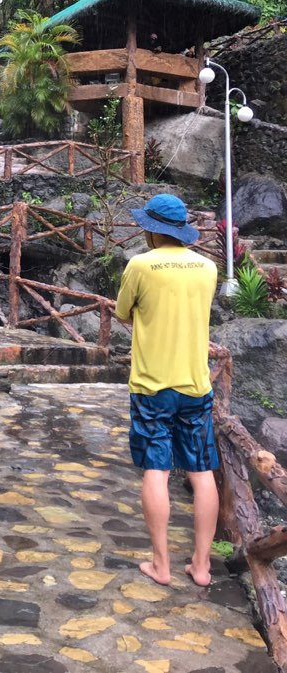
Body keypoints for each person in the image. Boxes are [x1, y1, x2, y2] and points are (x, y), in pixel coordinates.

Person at [115, 193, 219, 588]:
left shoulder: (140, 265)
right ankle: (202, 566)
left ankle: (161, 565)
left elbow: (123, 312)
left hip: (152, 386)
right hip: (195, 384)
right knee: (201, 472)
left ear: (151, 229)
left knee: (156, 469)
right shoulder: (207, 267)